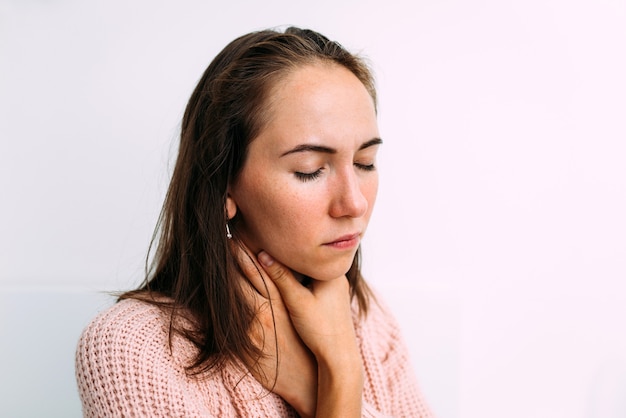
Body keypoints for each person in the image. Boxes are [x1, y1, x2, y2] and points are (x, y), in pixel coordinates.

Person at [75, 26, 433, 417]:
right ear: (225, 184)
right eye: (310, 170)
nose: (354, 203)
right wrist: (335, 384)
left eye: (365, 163)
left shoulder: (368, 320)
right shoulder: (132, 349)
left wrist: (337, 368)